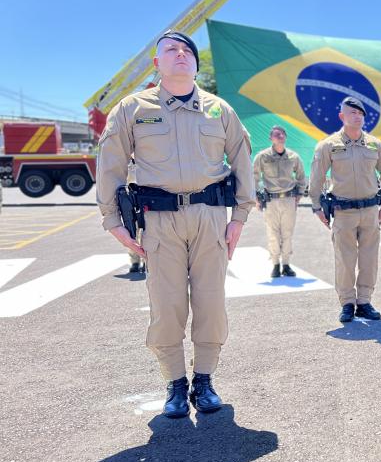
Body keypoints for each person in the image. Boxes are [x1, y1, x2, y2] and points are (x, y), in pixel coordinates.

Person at [97, 31, 255, 418]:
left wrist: (240, 217)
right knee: (166, 306)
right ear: (157, 64)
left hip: (210, 218)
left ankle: (204, 380)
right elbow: (111, 163)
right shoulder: (132, 108)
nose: (181, 53)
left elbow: (242, 160)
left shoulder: (219, 110)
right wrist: (112, 220)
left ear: (196, 65)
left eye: (187, 50)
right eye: (171, 49)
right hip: (159, 219)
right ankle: (174, 381)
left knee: (211, 303)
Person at [309, 97, 381, 323]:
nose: (357, 116)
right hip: (343, 211)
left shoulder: (375, 145)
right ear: (342, 116)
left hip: (370, 212)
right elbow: (316, 179)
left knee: (369, 259)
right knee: (345, 260)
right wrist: (317, 207)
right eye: (352, 112)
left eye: (361, 113)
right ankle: (347, 303)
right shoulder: (328, 145)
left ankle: (364, 301)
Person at [253, 125, 307, 278]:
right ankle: (275, 264)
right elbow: (254, 178)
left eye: (282, 134)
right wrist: (256, 197)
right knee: (273, 233)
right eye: (276, 134)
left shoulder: (293, 157)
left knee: (288, 233)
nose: (280, 136)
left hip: (289, 199)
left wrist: (299, 195)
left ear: (285, 137)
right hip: (271, 201)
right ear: (271, 138)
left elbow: (301, 177)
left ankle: (286, 264)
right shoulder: (263, 157)